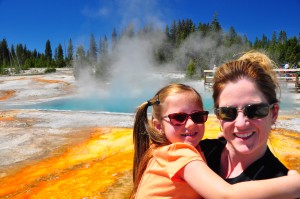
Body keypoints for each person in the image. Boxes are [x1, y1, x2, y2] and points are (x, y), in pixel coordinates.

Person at [130, 83, 300, 198]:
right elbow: (225, 195)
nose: (190, 124)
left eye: (197, 116)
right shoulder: (179, 152)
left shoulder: (160, 148)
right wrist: (294, 185)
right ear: (158, 126)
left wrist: (227, 137)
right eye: (179, 118)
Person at [200, 51, 294, 183]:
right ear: (218, 117)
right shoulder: (201, 152)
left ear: (274, 113)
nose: (241, 123)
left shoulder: (282, 186)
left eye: (254, 110)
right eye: (228, 112)